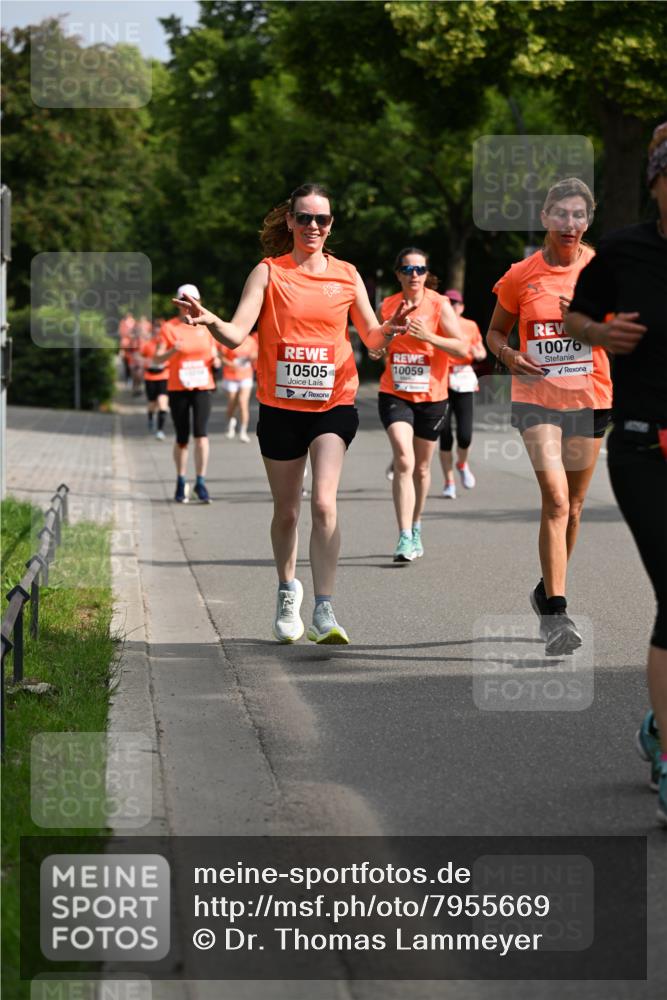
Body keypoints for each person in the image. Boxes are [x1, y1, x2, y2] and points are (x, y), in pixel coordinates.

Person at [176, 183, 414, 644]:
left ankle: (324, 608)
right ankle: (288, 591)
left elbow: (370, 338)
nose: (313, 227)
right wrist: (210, 322)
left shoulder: (346, 274)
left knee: (324, 502)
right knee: (286, 512)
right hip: (281, 406)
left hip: (333, 402)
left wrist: (392, 329)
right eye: (304, 218)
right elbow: (238, 332)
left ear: (331, 225)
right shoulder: (268, 273)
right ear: (289, 221)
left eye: (321, 219)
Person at [565, 122, 667, 824]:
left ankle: (660, 724)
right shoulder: (624, 250)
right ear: (656, 184)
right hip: (641, 444)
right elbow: (572, 316)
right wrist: (599, 334)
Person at [487, 177, 612, 656]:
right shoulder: (522, 274)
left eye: (579, 215)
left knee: (574, 508)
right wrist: (509, 355)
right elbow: (495, 332)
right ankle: (557, 613)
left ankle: (546, 590)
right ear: (545, 218)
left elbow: (626, 333)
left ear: (588, 220)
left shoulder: (604, 270)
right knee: (557, 500)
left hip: (590, 396)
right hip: (536, 396)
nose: (570, 224)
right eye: (561, 214)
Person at [372, 248, 468, 562]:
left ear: (427, 274)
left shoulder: (439, 304)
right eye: (408, 269)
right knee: (404, 457)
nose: (414, 275)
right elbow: (375, 349)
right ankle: (402, 536)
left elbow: (461, 348)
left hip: (432, 397)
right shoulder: (387, 305)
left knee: (422, 468)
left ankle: (415, 526)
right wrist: (385, 337)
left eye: (420, 269)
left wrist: (429, 336)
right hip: (395, 393)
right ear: (398, 273)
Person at [156, 284, 219, 503]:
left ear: (199, 302)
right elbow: (157, 359)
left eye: (193, 300)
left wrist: (217, 359)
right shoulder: (170, 328)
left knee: (201, 435)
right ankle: (181, 480)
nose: (188, 305)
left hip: (202, 387)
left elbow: (214, 352)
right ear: (177, 303)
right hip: (178, 388)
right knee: (182, 437)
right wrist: (174, 349)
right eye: (184, 300)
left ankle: (200, 482)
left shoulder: (206, 325)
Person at [438, 289, 487, 498]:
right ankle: (449, 481)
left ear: (462, 307)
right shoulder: (437, 324)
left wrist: (479, 354)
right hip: (441, 381)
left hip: (464, 380)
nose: (453, 307)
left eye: (456, 303)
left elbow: (481, 351)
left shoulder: (470, 325)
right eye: (449, 303)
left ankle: (462, 463)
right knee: (445, 435)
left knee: (465, 435)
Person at [221, 332, 259, 442]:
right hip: (230, 376)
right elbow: (221, 356)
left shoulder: (251, 340)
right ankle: (231, 421)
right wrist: (230, 364)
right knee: (233, 402)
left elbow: (256, 354)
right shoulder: (229, 337)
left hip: (246, 375)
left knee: (243, 402)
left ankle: (243, 431)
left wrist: (252, 357)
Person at [140, 318, 169, 439]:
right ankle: (151, 417)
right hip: (150, 377)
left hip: (164, 376)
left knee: (163, 403)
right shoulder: (148, 344)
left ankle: (160, 430)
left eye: (160, 327)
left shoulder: (168, 344)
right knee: (152, 403)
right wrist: (147, 361)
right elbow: (141, 357)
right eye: (156, 327)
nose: (158, 329)